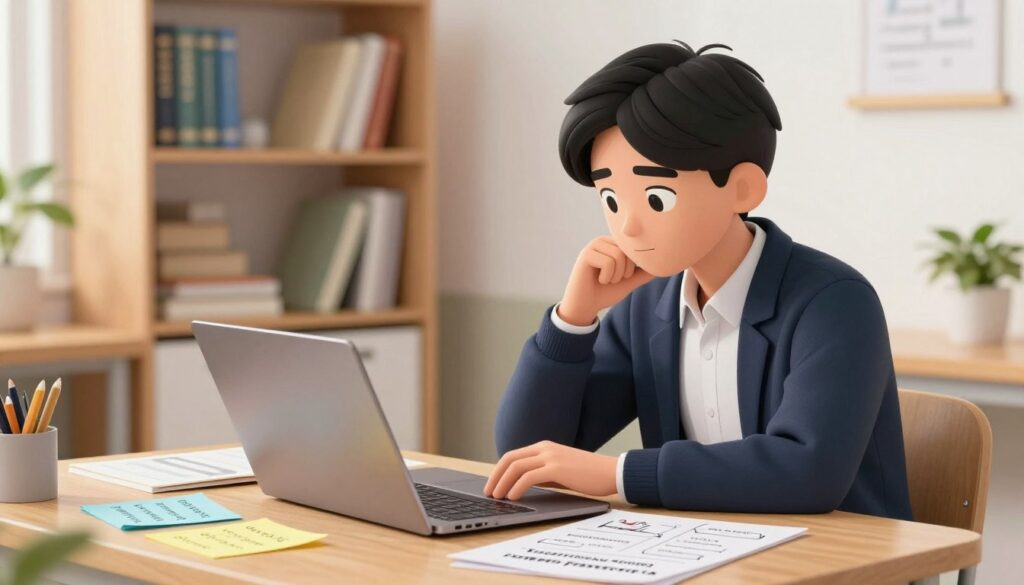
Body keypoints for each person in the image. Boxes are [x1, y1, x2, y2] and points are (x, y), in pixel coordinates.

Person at [483, 41, 912, 519]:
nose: (627, 226)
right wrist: (572, 320)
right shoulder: (648, 307)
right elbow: (528, 457)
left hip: (844, 561)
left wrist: (617, 475)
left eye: (656, 198)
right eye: (610, 198)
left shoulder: (834, 303)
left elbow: (808, 472)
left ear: (743, 188)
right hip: (699, 552)